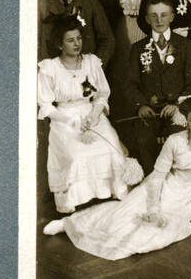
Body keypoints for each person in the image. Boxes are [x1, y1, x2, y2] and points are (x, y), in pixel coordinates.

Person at [43, 95, 191, 260]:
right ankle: (69, 223)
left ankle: (78, 226)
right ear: (186, 121)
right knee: (121, 216)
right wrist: (153, 208)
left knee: (154, 234)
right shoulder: (175, 141)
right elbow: (158, 177)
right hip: (161, 188)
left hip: (188, 197)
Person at [37, 17, 139, 216]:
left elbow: (102, 94)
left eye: (78, 38)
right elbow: (46, 106)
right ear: (59, 43)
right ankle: (77, 200)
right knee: (76, 156)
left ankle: (111, 192)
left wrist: (94, 115)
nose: (77, 44)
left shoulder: (92, 63)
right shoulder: (50, 68)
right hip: (64, 119)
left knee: (111, 149)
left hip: (92, 114)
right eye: (70, 40)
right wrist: (71, 121)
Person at [118, 0, 191, 171]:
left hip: (178, 110)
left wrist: (179, 105)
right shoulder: (138, 48)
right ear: (147, 19)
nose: (159, 20)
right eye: (154, 15)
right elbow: (130, 84)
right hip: (149, 112)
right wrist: (140, 105)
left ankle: (177, 183)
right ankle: (152, 181)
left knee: (178, 137)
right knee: (143, 137)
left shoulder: (185, 45)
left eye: (164, 15)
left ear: (172, 17)